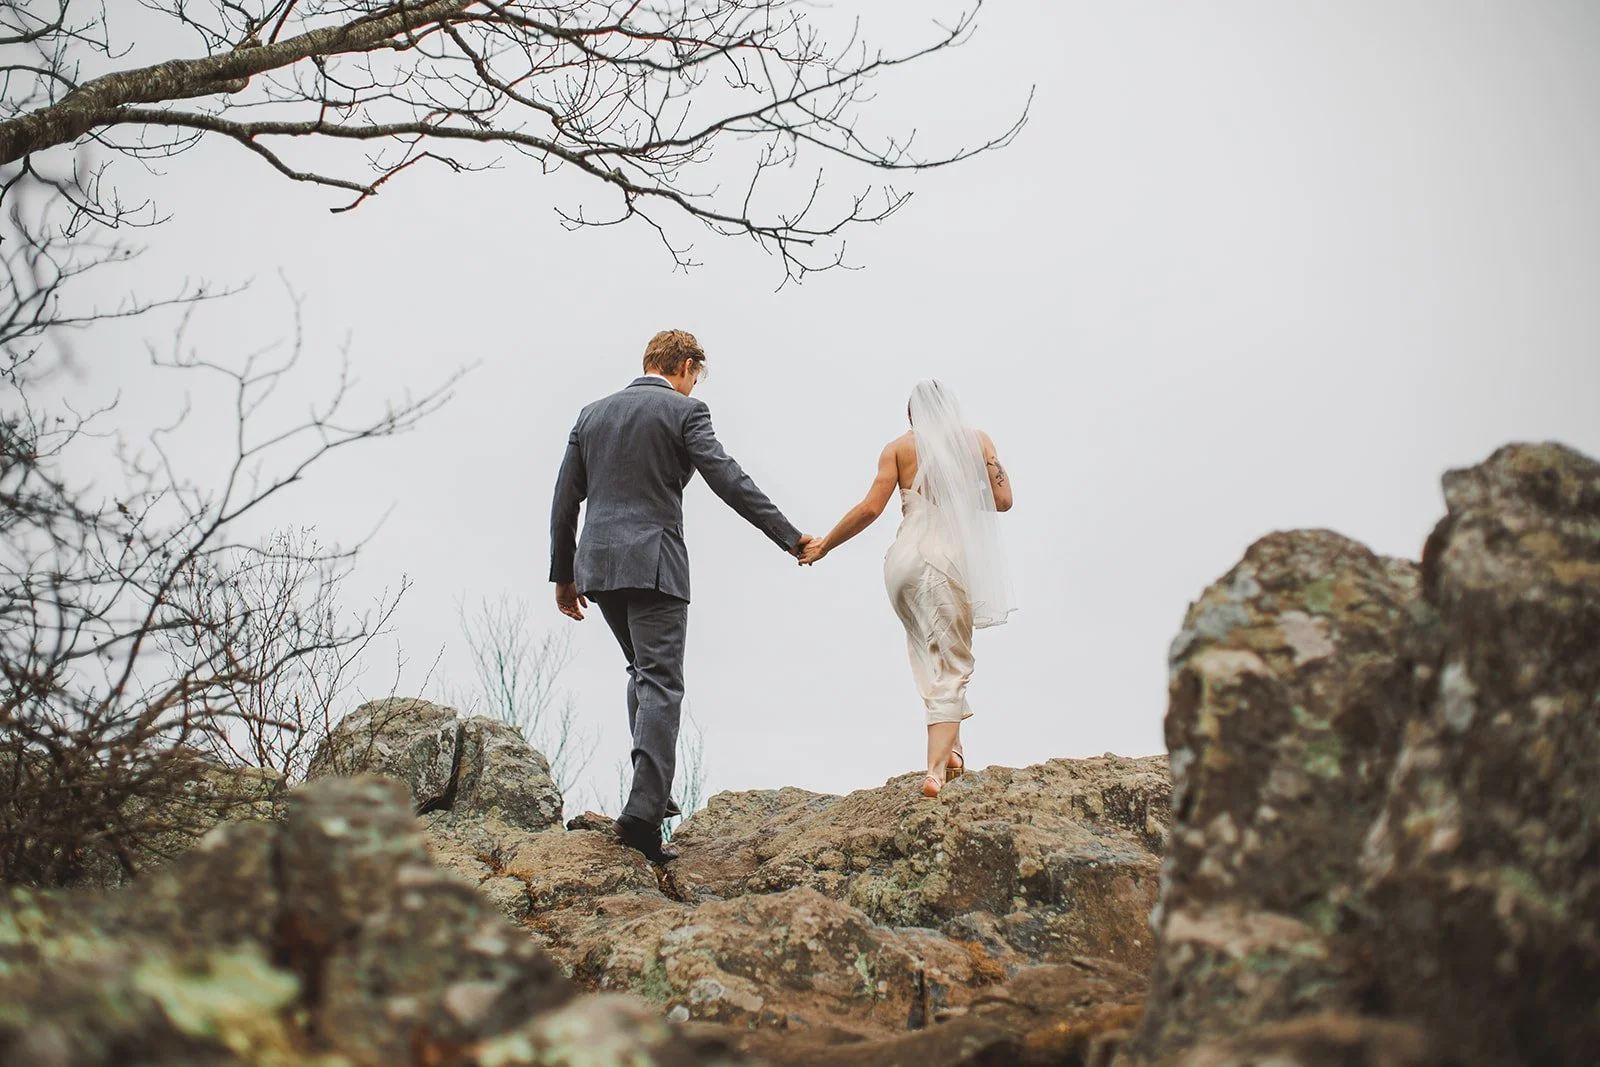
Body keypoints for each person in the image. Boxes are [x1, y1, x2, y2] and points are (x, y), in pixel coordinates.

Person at [549, 330, 812, 864]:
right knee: (661, 681)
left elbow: (564, 498)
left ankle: (654, 791)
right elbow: (728, 480)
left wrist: (564, 573)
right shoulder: (684, 412)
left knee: (642, 674)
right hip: (654, 565)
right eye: (695, 377)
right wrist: (789, 536)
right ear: (686, 367)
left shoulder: (591, 414)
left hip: (597, 566)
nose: (694, 388)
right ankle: (642, 817)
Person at [800, 380, 1014, 798]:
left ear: (912, 416)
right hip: (945, 558)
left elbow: (869, 509)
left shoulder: (897, 448)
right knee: (954, 662)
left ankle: (953, 749)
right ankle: (935, 770)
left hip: (902, 564)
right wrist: (961, 494)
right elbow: (1003, 500)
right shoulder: (977, 441)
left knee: (928, 651)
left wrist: (825, 544)